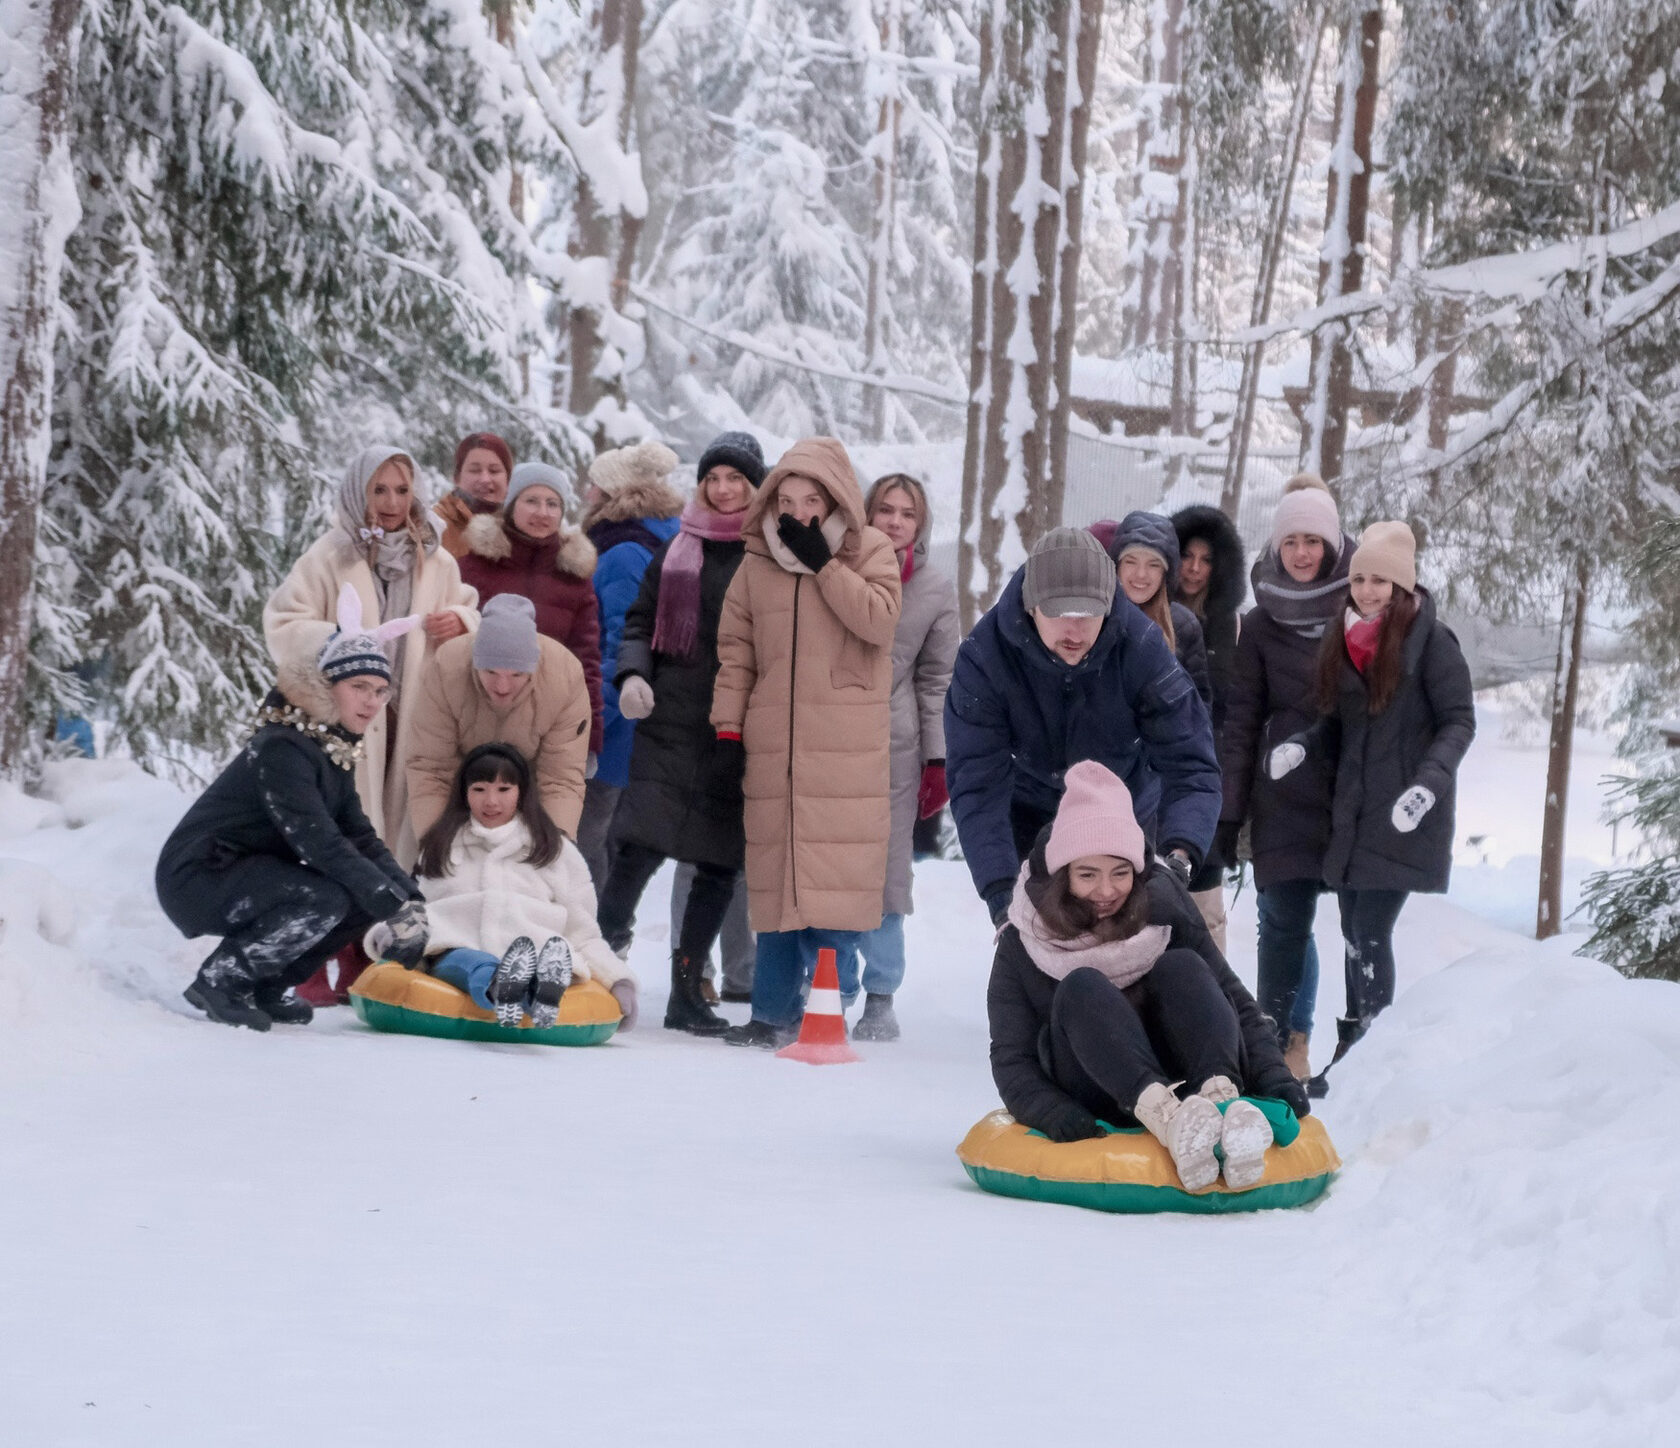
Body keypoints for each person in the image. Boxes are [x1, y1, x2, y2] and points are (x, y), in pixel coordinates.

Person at [986, 761, 1306, 1192]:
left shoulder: (1163, 906)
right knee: (1082, 985)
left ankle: (1221, 1103)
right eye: (1088, 875)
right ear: (1062, 876)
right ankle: (1171, 1122)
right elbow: (1012, 1056)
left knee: (1183, 967)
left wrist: (1275, 1079)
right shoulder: (1023, 939)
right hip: (1094, 1086)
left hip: (1185, 1078)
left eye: (1121, 873)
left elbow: (1232, 999)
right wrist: (1054, 1114)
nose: (1106, 891)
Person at [158, 587, 429, 1030]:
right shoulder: (282, 747)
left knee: (360, 898)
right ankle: (221, 980)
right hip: (198, 874)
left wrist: (408, 899)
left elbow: (358, 836)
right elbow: (318, 841)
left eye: (380, 690)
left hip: (249, 870)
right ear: (327, 684)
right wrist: (389, 901)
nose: (372, 701)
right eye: (359, 686)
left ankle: (265, 985)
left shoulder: (329, 748)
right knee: (325, 895)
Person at [1268, 519, 1475, 1095]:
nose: (1366, 591)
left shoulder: (1432, 641)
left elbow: (1459, 720)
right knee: (1354, 931)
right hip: (1355, 816)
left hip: (1404, 813)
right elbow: (1336, 721)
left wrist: (1428, 785)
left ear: (1402, 585)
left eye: (1379, 581)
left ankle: (1370, 1051)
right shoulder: (1348, 637)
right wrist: (1301, 744)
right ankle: (1355, 1050)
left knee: (1371, 932)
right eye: (1359, 579)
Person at [712, 437, 902, 1050]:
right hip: (775, 746)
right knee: (773, 883)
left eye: (811, 500)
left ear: (835, 499)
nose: (797, 512)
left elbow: (878, 620)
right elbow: (736, 653)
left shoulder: (870, 549)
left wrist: (824, 565)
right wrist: (727, 727)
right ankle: (768, 1014)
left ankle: (826, 1011)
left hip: (844, 747)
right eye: (786, 499)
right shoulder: (755, 562)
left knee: (832, 888)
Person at [945, 526, 1220, 928]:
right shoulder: (985, 659)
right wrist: (1002, 893)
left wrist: (1178, 856)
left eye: (1088, 613)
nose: (1074, 631)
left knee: (1128, 957)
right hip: (1030, 815)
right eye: (1058, 613)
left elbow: (1191, 764)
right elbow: (977, 782)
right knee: (1041, 952)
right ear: (1031, 605)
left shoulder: (1141, 647)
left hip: (1123, 810)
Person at [593, 431, 765, 1034]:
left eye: (735, 480)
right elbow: (639, 622)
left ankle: (687, 991)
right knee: (636, 847)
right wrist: (634, 675)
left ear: (754, 486)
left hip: (732, 728)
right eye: (713, 479)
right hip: (668, 719)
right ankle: (598, 965)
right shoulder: (678, 547)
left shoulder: (767, 554)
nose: (722, 490)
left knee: (718, 863)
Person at [265, 444, 479, 870]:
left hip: (410, 709)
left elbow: (470, 611)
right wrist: (339, 641)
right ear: (358, 493)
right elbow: (283, 623)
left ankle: (392, 905)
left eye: (402, 490)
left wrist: (460, 621)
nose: (392, 503)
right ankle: (348, 913)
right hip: (347, 715)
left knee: (402, 823)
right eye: (378, 490)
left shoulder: (436, 560)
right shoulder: (329, 554)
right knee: (348, 819)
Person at [1217, 474, 1352, 1079]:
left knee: (1345, 928)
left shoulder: (1360, 609)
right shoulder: (1260, 623)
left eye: (1314, 541)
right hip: (1280, 795)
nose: (1302, 553)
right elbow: (1242, 721)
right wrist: (1228, 812)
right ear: (1276, 547)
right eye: (1291, 540)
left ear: (1332, 546)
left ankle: (1366, 1050)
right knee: (1281, 921)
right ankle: (1283, 1046)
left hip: (1344, 790)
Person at [408, 743, 637, 1030]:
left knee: (548, 958)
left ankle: (541, 990)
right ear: (464, 794)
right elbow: (421, 913)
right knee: (472, 963)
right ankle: (501, 987)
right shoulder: (442, 844)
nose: (491, 801)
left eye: (504, 790)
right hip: (459, 950)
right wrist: (393, 940)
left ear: (522, 793)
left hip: (537, 949)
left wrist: (618, 980)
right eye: (479, 789)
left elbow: (583, 932)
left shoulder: (553, 849)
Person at [846, 472, 959, 1043]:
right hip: (835, 737)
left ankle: (881, 993)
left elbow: (937, 679)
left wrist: (937, 760)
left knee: (888, 873)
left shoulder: (935, 588)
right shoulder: (837, 571)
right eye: (884, 510)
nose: (893, 522)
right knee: (835, 869)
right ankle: (832, 985)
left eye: (906, 514)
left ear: (920, 525)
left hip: (896, 745)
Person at [1103, 511, 1222, 943]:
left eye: (1153, 565)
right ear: (1114, 565)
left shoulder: (1182, 626)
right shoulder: (1095, 617)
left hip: (1157, 783)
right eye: (1131, 562)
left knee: (1150, 906)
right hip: (1103, 776)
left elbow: (1198, 712)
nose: (1140, 575)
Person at [575, 440, 685, 887]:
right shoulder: (651, 538)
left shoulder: (622, 552)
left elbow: (623, 638)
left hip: (616, 720)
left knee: (588, 840)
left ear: (613, 495)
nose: (585, 494)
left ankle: (597, 938)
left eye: (594, 486)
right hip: (631, 715)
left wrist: (594, 715)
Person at [407, 594, 592, 841]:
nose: (502, 686)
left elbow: (560, 779)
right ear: (475, 663)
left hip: (529, 794)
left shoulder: (564, 677)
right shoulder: (447, 668)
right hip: (460, 791)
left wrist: (556, 844)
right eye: (490, 671)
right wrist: (435, 843)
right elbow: (431, 768)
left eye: (516, 675)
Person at [457, 460, 604, 769]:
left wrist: (588, 738)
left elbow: (586, 662)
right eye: (531, 500)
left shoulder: (574, 578)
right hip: (474, 720)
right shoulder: (474, 566)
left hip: (545, 728)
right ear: (511, 505)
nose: (542, 512)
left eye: (553, 503)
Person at [1170, 504, 1247, 736]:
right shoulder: (1146, 619)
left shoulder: (1236, 628)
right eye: (1187, 556)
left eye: (1206, 560)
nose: (1194, 568)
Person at [433, 432, 513, 559]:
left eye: (494, 471)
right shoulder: (435, 526)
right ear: (457, 478)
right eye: (475, 470)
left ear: (508, 479)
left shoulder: (520, 526)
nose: (485, 479)